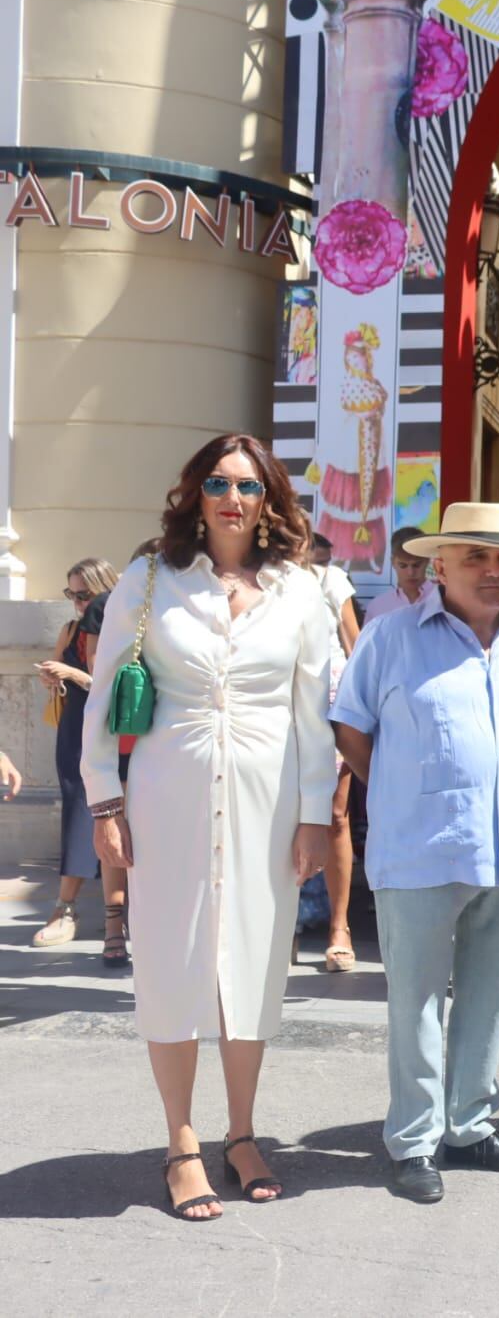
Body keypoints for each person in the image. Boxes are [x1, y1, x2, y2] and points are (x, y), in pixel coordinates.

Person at [81, 433, 336, 1221]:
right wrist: (103, 801)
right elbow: (102, 696)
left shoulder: (301, 590)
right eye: (219, 484)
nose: (233, 499)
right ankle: (181, 1140)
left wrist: (316, 815)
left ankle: (244, 1132)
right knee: (170, 960)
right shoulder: (151, 577)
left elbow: (317, 715)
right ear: (196, 492)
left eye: (250, 487)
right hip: (169, 791)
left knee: (255, 966)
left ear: (271, 501)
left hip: (267, 797)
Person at [331, 503, 499, 1204]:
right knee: (418, 1002)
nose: (493, 571)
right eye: (474, 557)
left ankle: (468, 1124)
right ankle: (413, 1141)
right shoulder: (392, 636)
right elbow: (350, 727)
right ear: (439, 566)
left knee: (489, 998)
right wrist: (403, 790)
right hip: (421, 847)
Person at [32, 559, 126, 964]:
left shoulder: (117, 623)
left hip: (115, 731)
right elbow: (65, 676)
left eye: (83, 594)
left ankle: (116, 918)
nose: (77, 602)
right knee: (75, 812)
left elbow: (108, 683)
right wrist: (53, 677)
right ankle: (65, 908)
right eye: (71, 594)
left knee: (117, 816)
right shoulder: (71, 630)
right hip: (76, 729)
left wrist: (71, 672)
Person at [304, 533, 363, 971]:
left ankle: (339, 927)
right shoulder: (258, 581)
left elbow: (354, 645)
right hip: (276, 708)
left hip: (328, 703)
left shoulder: (331, 580)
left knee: (335, 815)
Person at [361, 527, 432, 625]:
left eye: (416, 565)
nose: (410, 572)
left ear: (427, 560)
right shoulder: (377, 607)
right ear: (393, 562)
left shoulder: (445, 601)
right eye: (403, 566)